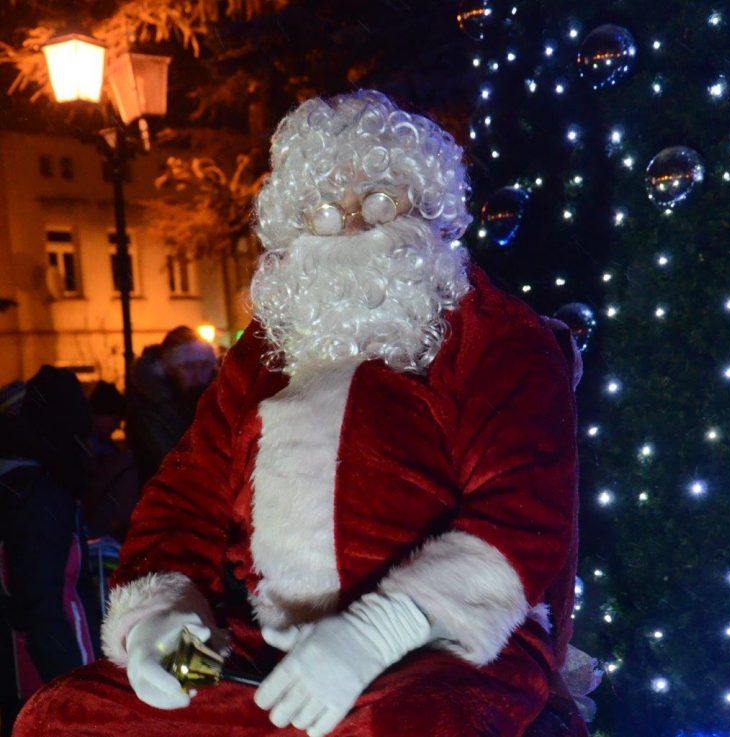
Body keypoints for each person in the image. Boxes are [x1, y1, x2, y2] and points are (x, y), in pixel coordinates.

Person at [14, 90, 592, 737]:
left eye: (374, 202)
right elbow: (186, 502)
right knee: (65, 715)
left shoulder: (497, 336)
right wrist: (160, 624)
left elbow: (520, 516)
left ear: (423, 206)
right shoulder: (261, 357)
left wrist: (372, 635)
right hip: (260, 645)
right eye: (321, 211)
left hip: (437, 652)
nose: (347, 227)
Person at [0, 367, 100, 737]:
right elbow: (52, 601)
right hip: (47, 679)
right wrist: (77, 694)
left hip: (28, 675)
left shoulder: (23, 488)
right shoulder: (37, 496)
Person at [127, 326, 218, 482]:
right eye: (188, 367)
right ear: (169, 370)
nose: (198, 376)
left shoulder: (218, 401)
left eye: (204, 366)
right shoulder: (151, 407)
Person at [83, 381, 140, 542]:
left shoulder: (100, 446)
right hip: (100, 529)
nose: (117, 426)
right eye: (115, 419)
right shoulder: (94, 448)